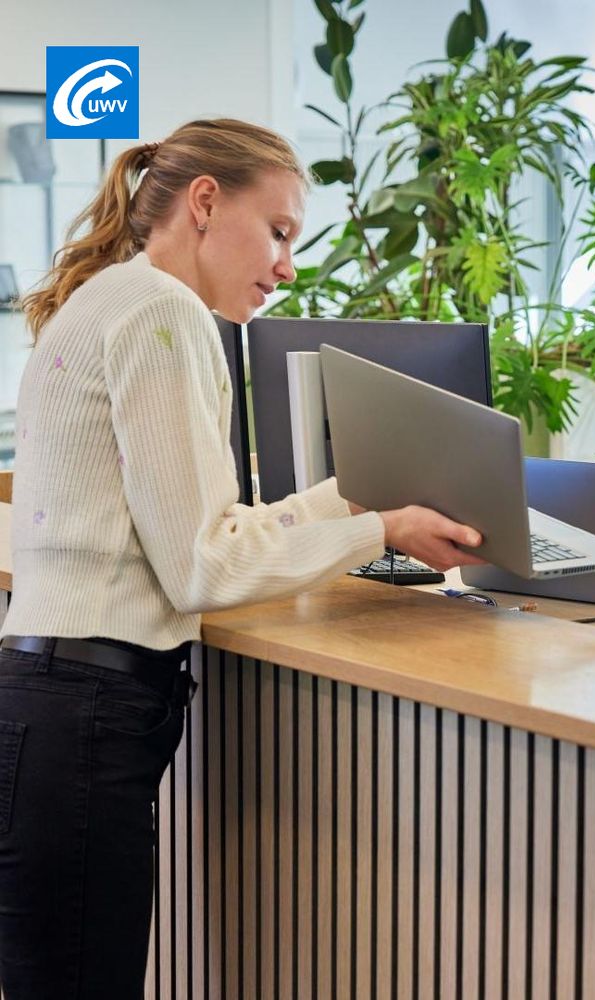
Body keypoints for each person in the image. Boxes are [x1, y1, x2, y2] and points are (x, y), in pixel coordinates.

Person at [0, 118, 483, 998]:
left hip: (50, 704)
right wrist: (377, 532)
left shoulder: (111, 297)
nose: (288, 266)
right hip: (87, 718)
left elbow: (193, 530)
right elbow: (204, 569)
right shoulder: (164, 311)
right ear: (205, 202)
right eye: (279, 232)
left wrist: (353, 501)